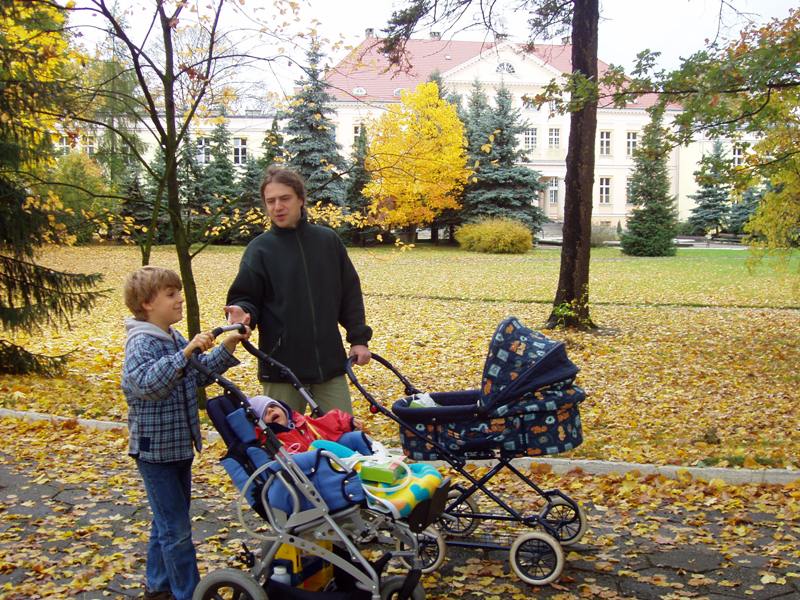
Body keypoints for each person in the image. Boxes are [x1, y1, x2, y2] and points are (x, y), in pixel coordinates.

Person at [121, 266, 249, 600]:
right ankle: (188, 593)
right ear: (147, 303)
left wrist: (228, 345)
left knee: (166, 522)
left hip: (178, 447)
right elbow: (147, 385)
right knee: (176, 530)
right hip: (154, 452)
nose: (179, 299)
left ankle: (158, 586)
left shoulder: (172, 337)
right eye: (171, 294)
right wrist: (185, 353)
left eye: (178, 292)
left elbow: (198, 377)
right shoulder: (141, 342)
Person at [225, 165, 372, 415]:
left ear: (301, 199)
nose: (277, 207)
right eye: (270, 201)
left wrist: (359, 340)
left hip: (329, 367)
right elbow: (246, 297)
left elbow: (350, 294)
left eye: (285, 198)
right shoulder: (260, 249)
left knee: (344, 434)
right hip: (281, 370)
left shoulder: (328, 241)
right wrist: (242, 312)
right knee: (283, 438)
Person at [247, 394, 365, 453]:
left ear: (284, 409)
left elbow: (327, 423)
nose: (270, 410)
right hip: (314, 472)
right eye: (264, 413)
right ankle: (360, 464)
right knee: (318, 445)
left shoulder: (303, 424)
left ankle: (373, 462)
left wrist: (348, 421)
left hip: (335, 461)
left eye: (273, 406)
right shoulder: (274, 443)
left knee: (357, 437)